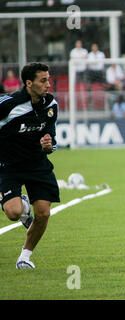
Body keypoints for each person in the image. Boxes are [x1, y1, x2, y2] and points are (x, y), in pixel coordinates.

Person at [0, 62, 60, 269]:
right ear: (28, 83)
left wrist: (48, 145)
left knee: (43, 213)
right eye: (43, 81)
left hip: (37, 164)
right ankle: (23, 205)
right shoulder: (8, 105)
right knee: (13, 213)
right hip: (8, 165)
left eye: (49, 79)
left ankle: (24, 257)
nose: (48, 85)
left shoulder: (51, 106)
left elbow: (51, 138)